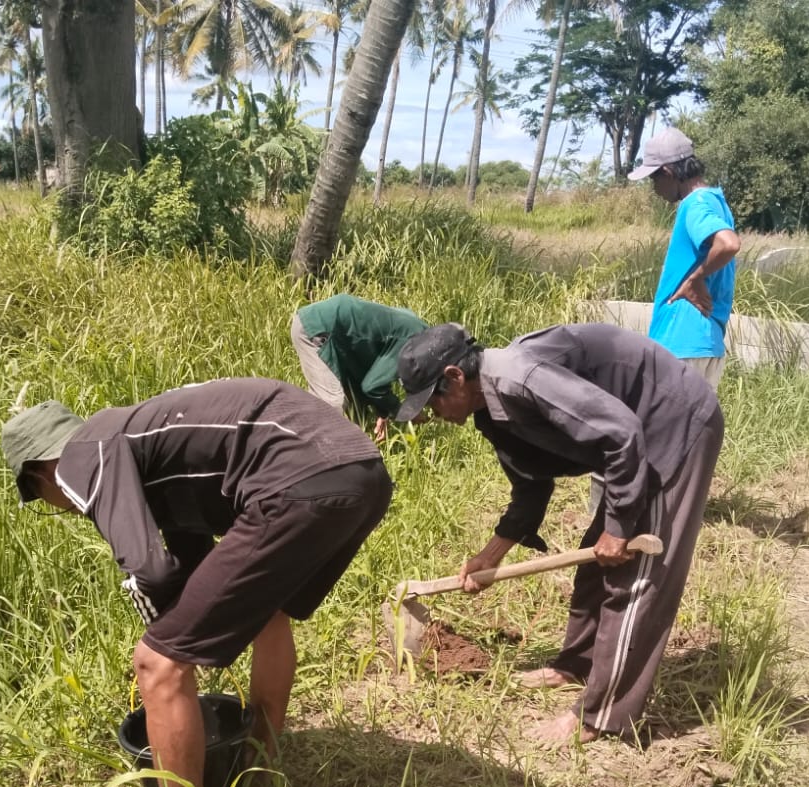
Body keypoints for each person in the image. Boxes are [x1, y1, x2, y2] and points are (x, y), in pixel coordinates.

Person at [1, 379, 392, 787]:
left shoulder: (84, 454)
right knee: (267, 612)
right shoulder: (144, 447)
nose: (61, 507)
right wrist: (186, 631)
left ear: (41, 474)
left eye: (41, 498)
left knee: (156, 665)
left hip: (298, 478)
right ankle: (257, 777)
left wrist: (165, 647)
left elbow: (151, 571)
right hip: (359, 469)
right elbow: (191, 563)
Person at [396, 322, 723, 747]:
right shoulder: (490, 410)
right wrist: (490, 555)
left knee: (634, 580)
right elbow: (531, 484)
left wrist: (620, 526)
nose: (431, 415)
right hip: (633, 439)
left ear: (455, 377)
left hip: (673, 424)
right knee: (595, 564)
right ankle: (576, 665)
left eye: (431, 401)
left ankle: (599, 715)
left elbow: (621, 431)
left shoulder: (521, 378)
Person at [584, 129, 739, 517]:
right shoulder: (717, 200)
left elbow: (728, 244)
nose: (654, 188)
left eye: (655, 178)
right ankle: (664, 518)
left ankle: (608, 523)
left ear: (670, 172)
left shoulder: (695, 203)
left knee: (629, 433)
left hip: (680, 343)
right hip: (706, 342)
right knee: (681, 441)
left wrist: (694, 279)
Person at [290, 294, 429, 442]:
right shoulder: (411, 344)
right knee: (332, 406)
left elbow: (379, 370)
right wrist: (401, 411)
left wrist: (383, 411)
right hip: (316, 328)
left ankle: (355, 448)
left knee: (357, 410)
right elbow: (373, 386)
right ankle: (300, 445)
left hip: (341, 338)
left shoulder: (420, 333)